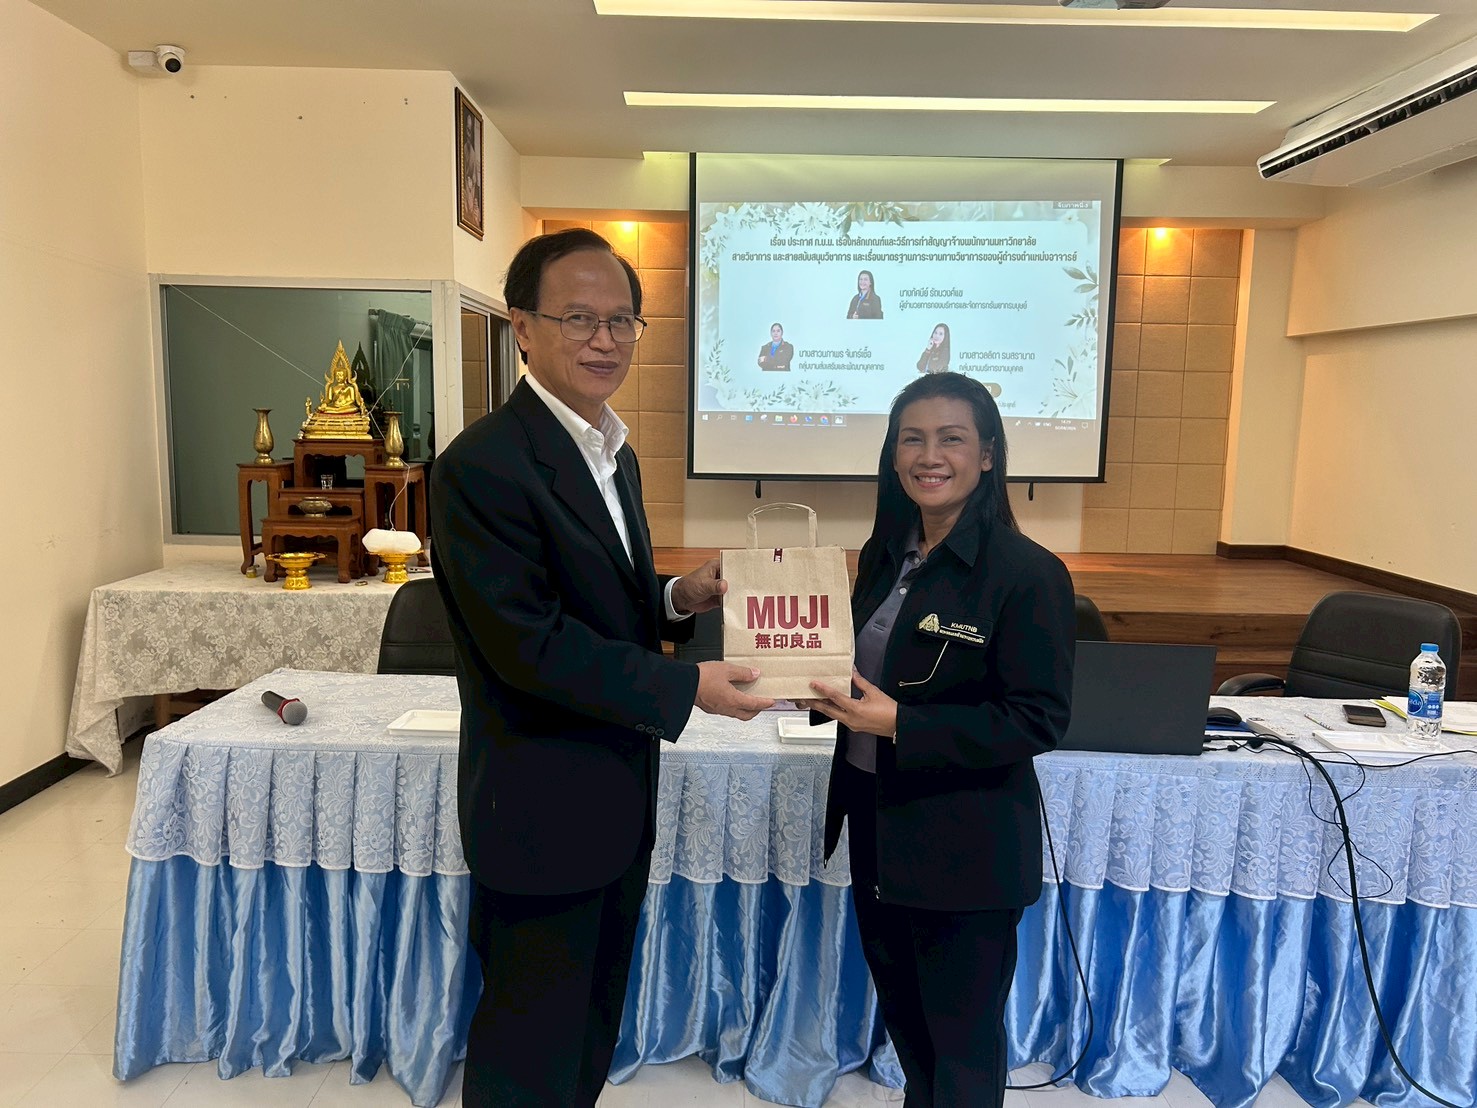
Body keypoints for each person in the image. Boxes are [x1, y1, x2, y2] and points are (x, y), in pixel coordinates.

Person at [430, 228, 773, 1108]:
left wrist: (678, 597)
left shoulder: (611, 452)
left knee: (586, 1034)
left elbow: (600, 603)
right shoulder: (483, 464)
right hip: (539, 807)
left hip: (615, 800)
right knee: (528, 1051)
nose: (603, 340)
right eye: (577, 318)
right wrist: (687, 686)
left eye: (622, 320)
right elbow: (528, 645)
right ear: (522, 328)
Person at [798, 371, 1074, 1108]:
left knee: (961, 1048)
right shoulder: (884, 554)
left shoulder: (1028, 574)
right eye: (911, 439)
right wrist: (817, 686)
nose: (929, 456)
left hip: (965, 841)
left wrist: (901, 724)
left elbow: (1037, 719)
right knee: (910, 1031)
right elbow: (866, 672)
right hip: (875, 822)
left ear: (986, 454)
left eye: (951, 439)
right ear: (892, 455)